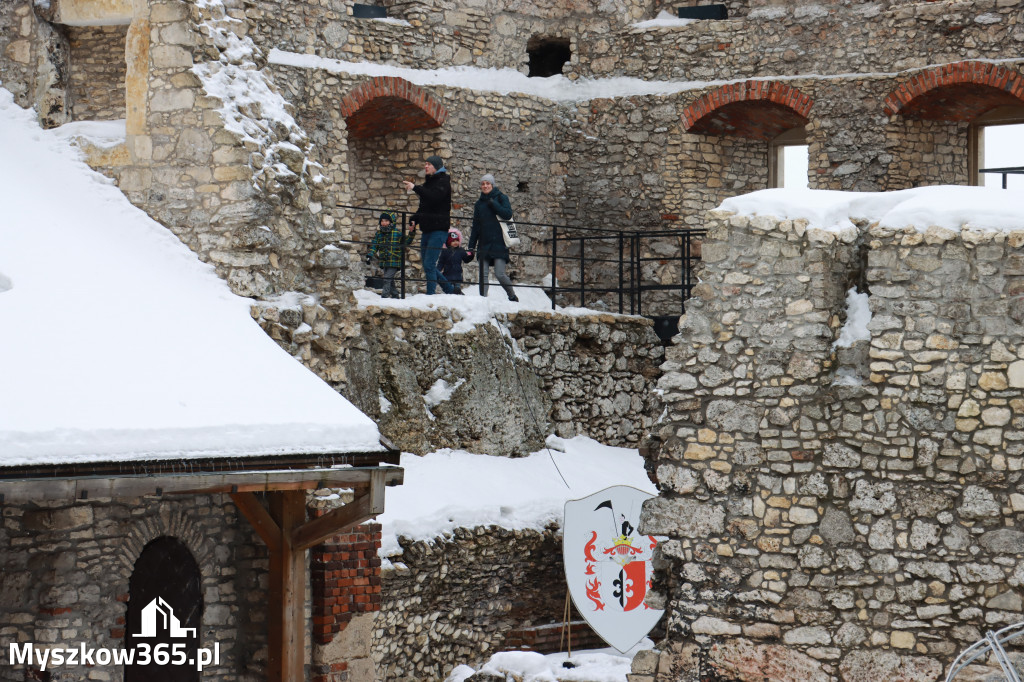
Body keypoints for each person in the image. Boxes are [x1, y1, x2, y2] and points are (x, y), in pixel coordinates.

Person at [403, 154, 452, 295]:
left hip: (438, 229)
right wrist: (414, 220)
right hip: (427, 229)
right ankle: (449, 290)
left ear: (436, 166)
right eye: (425, 164)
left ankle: (431, 296)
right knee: (427, 265)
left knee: (430, 264)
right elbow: (424, 206)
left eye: (428, 164)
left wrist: (415, 188)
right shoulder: (429, 183)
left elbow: (434, 198)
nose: (425, 166)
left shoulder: (443, 181)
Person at [467, 173, 518, 302]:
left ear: (492, 185)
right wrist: (471, 246)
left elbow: (507, 214)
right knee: (483, 275)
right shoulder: (479, 204)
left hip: (499, 242)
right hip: (484, 243)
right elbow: (476, 226)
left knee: (500, 273)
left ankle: (512, 296)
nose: (485, 186)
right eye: (483, 184)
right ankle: (482, 300)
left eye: (487, 183)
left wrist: (493, 204)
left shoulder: (501, 198)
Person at [367, 210, 415, 298]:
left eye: (386, 221)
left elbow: (407, 242)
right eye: (382, 221)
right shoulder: (379, 234)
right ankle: (395, 295)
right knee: (390, 279)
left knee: (387, 278)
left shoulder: (397, 233)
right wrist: (370, 255)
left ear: (391, 222)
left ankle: (384, 296)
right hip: (384, 260)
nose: (384, 223)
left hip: (394, 260)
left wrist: (411, 232)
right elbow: (375, 245)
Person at [438, 228, 473, 294]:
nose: (456, 242)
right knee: (450, 291)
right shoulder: (445, 251)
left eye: (457, 240)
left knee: (457, 289)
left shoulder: (461, 250)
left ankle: (459, 296)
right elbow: (441, 262)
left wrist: (471, 256)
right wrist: (437, 270)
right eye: (453, 241)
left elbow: (466, 259)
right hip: (447, 275)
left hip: (457, 275)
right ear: (448, 242)